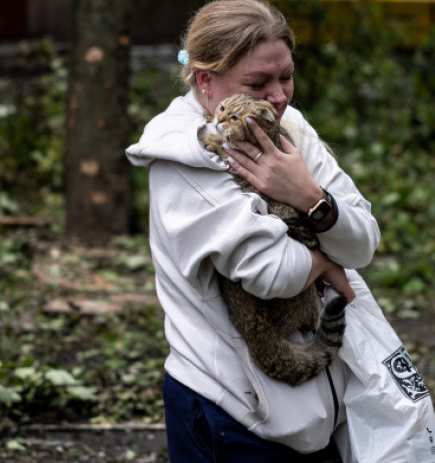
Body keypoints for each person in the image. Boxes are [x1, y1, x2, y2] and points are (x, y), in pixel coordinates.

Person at [125, 0, 382, 461]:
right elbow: (274, 272)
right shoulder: (182, 160)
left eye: (285, 77)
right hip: (235, 414)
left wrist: (308, 196)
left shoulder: (289, 128)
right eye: (257, 83)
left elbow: (363, 241)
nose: (280, 97)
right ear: (205, 80)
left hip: (320, 414)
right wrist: (326, 259)